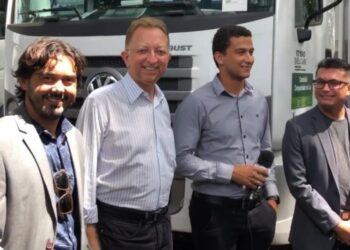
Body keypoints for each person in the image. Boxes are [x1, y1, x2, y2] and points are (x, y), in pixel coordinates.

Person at [173, 25, 279, 250]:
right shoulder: (196, 103)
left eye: (251, 51)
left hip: (258, 212)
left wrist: (272, 198)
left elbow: (265, 151)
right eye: (241, 52)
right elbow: (181, 161)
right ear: (219, 57)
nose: (249, 58)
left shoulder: (259, 100)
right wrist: (231, 173)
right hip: (214, 214)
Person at [76, 17, 175, 250]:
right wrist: (90, 236)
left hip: (161, 225)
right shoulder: (100, 102)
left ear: (168, 58)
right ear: (126, 57)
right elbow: (84, 173)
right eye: (143, 50)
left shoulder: (161, 101)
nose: (152, 59)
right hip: (120, 230)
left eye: (160, 51)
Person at [0, 37, 87, 250]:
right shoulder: (4, 138)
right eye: (47, 78)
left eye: (68, 80)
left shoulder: (75, 138)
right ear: (23, 81)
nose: (59, 89)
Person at [282, 58, 350, 250]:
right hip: (316, 237)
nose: (325, 88)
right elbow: (299, 186)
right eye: (320, 82)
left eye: (334, 83)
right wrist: (338, 225)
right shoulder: (297, 128)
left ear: (348, 88)